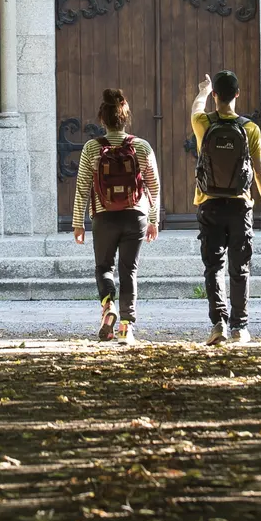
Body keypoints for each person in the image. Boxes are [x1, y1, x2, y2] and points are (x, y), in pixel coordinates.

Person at [190, 70, 261, 345]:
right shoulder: (250, 128)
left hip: (210, 204)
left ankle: (219, 324)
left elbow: (196, 108)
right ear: (237, 94)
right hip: (241, 206)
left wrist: (203, 90)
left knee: (214, 266)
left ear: (216, 94)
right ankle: (240, 327)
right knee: (240, 268)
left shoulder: (202, 123)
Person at [71, 88, 160, 344]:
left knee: (104, 267)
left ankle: (108, 304)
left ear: (103, 119)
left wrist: (78, 223)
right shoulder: (141, 147)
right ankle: (125, 328)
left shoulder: (91, 148)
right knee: (129, 270)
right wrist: (153, 218)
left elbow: (82, 188)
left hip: (104, 217)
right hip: (136, 216)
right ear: (124, 118)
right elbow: (153, 186)